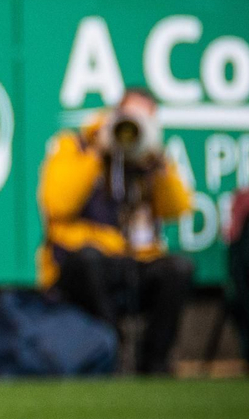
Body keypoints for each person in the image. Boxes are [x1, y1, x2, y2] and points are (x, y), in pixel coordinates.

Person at [37, 86, 194, 375]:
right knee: (89, 260)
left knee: (178, 268)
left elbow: (178, 207)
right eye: (128, 118)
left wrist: (157, 164)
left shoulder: (149, 159)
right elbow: (56, 204)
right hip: (81, 266)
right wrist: (98, 149)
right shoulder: (76, 146)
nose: (132, 128)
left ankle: (154, 362)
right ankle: (111, 354)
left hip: (133, 261)